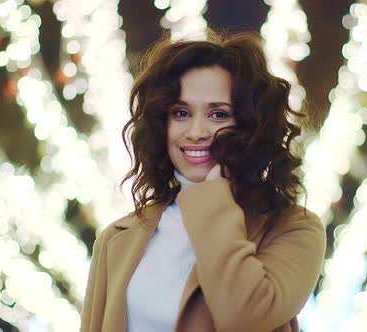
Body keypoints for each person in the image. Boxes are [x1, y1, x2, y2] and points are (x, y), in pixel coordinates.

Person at [80, 30, 326, 332]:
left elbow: (243, 317)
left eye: (219, 114)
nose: (196, 131)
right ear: (162, 124)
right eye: (181, 113)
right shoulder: (117, 239)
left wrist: (212, 194)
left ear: (250, 125)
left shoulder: (294, 229)